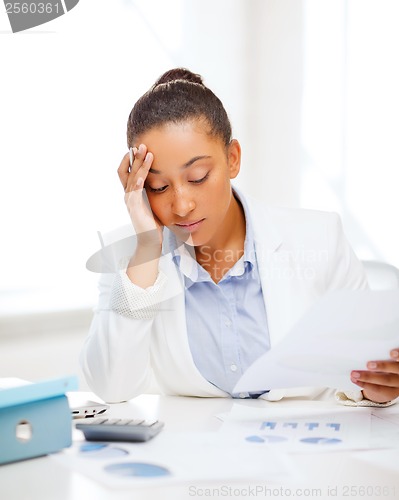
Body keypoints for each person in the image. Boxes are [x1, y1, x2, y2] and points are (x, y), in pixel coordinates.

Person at [80, 68, 399, 406]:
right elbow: (111, 387)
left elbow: (361, 373)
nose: (182, 205)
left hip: (304, 451)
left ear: (232, 159)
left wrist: (375, 389)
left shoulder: (320, 237)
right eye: (159, 187)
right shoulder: (130, 257)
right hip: (194, 455)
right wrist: (146, 248)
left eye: (198, 176)